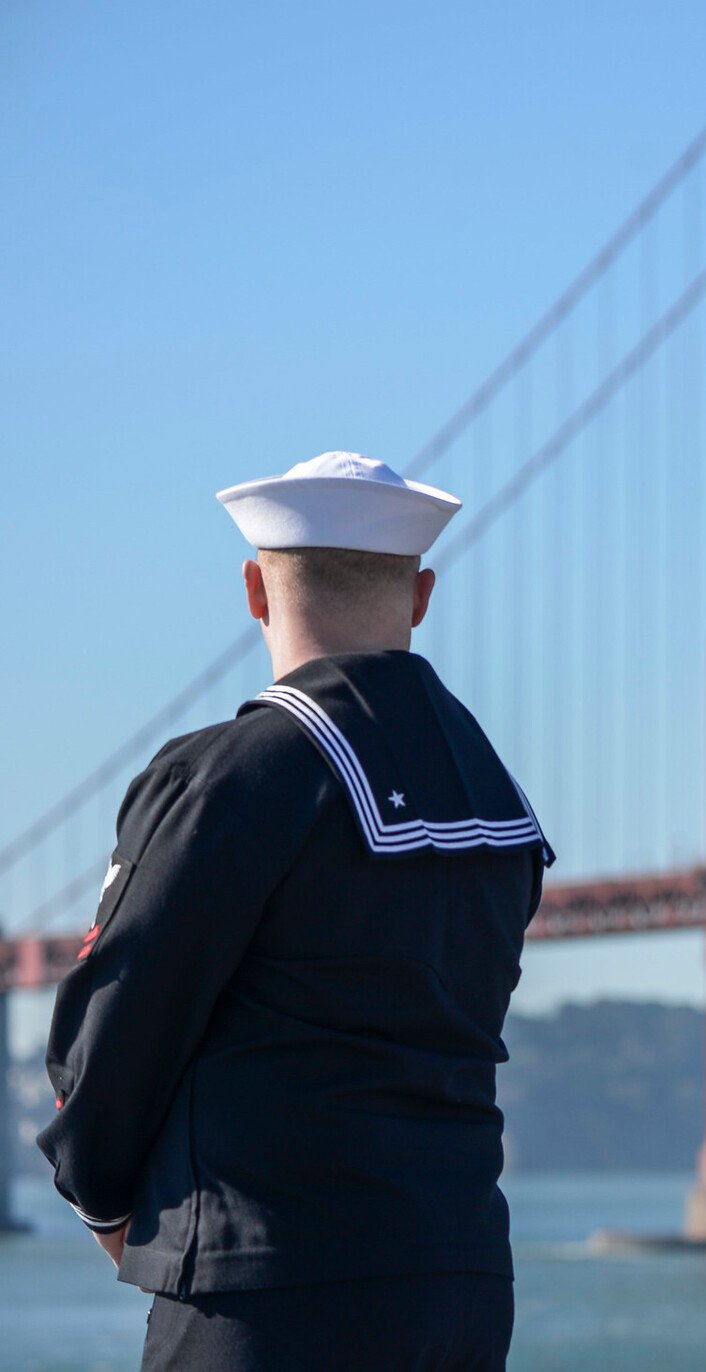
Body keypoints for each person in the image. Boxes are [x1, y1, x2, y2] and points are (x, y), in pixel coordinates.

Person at [39, 451, 553, 1371]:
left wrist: (105, 1203)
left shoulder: (235, 775)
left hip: (265, 1288)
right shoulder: (500, 799)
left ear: (254, 589)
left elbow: (116, 1023)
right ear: (422, 594)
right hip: (461, 1282)